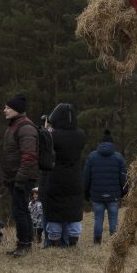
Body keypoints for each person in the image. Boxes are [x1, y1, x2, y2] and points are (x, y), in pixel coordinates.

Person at [0, 94, 39, 256]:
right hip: (15, 177)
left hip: (22, 178)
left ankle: (24, 244)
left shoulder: (25, 128)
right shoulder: (15, 125)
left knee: (20, 211)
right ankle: (25, 242)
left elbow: (29, 156)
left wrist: (20, 179)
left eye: (8, 108)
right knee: (22, 209)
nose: (4, 110)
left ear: (16, 110)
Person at [42, 104, 87, 247]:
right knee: (73, 211)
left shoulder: (53, 136)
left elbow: (46, 147)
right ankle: (73, 238)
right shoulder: (81, 135)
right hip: (75, 178)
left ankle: (54, 239)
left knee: (54, 212)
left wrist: (47, 129)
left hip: (56, 178)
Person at [83, 129, 127, 245]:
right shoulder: (119, 157)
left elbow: (86, 177)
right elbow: (124, 178)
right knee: (113, 220)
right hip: (114, 195)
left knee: (98, 219)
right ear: (112, 144)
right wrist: (124, 192)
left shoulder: (92, 157)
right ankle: (114, 243)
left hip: (97, 195)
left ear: (101, 144)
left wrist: (86, 193)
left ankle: (97, 243)